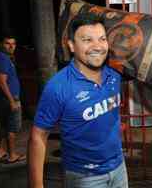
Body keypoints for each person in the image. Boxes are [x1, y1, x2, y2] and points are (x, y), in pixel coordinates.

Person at [28, 13, 128, 188]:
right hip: (84, 177)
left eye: (102, 39)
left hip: (119, 168)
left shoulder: (115, 76)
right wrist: (36, 185)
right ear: (72, 45)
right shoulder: (58, 86)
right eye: (87, 40)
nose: (97, 46)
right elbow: (38, 135)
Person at [0, 34, 26, 163]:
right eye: (8, 43)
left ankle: (1, 152)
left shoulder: (5, 58)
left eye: (13, 44)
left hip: (5, 99)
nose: (11, 46)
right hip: (10, 99)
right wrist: (12, 101)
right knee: (13, 128)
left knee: (5, 126)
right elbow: (2, 82)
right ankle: (12, 155)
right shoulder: (3, 59)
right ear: (2, 44)